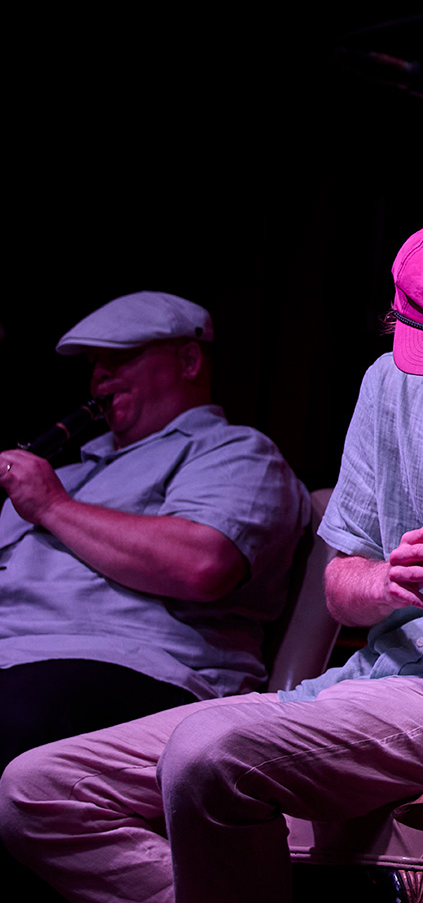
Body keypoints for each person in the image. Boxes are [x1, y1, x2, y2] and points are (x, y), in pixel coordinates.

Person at [0, 213, 423, 903]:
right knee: (37, 792)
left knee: (206, 752)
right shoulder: (385, 385)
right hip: (363, 686)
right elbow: (342, 585)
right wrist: (391, 582)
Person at [0, 291, 308, 771]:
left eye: (121, 357)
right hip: (16, 658)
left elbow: (201, 565)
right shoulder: (73, 469)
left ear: (188, 361)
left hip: (134, 669)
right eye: (96, 362)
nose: (101, 373)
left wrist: (51, 505)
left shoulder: (236, 452)